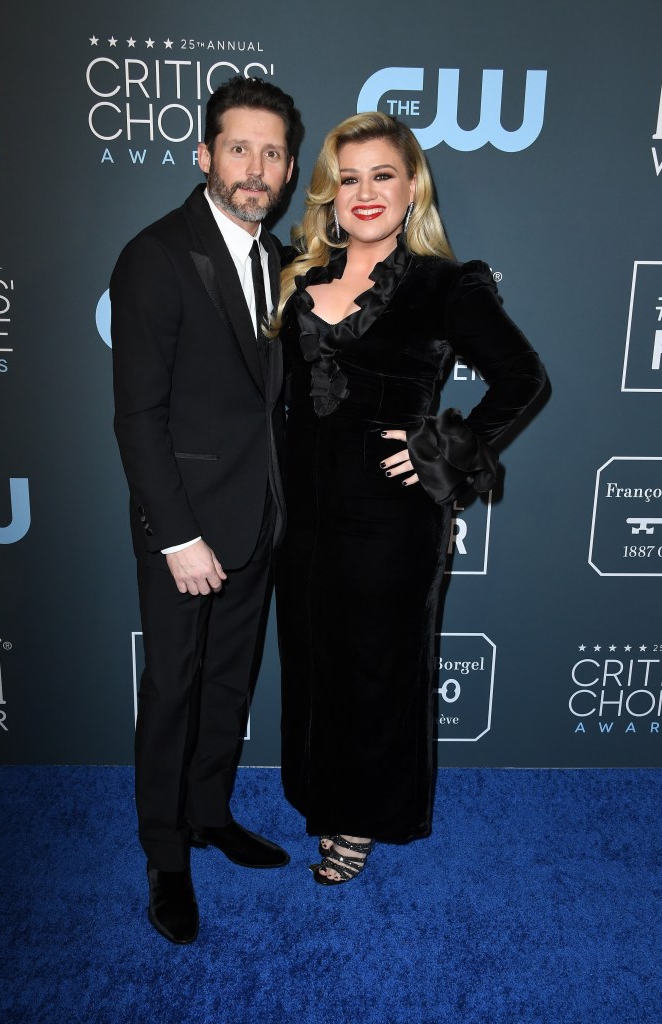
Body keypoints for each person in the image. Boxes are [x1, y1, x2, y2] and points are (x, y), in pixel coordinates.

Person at [271, 111, 546, 885]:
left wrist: (440, 450)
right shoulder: (297, 271)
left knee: (375, 671)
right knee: (313, 665)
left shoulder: (442, 284)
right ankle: (320, 795)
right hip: (303, 515)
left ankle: (359, 819)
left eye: (382, 175)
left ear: (411, 184)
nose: (364, 193)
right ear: (329, 191)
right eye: (348, 177)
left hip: (390, 522)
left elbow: (523, 378)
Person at [110, 76, 302, 942]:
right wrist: (175, 536)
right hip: (186, 532)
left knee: (230, 683)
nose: (254, 168)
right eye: (238, 148)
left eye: (271, 152)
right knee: (175, 693)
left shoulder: (282, 256)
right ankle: (165, 855)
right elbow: (138, 417)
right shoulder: (155, 254)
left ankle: (210, 814)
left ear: (289, 167)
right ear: (204, 156)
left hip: (259, 519)